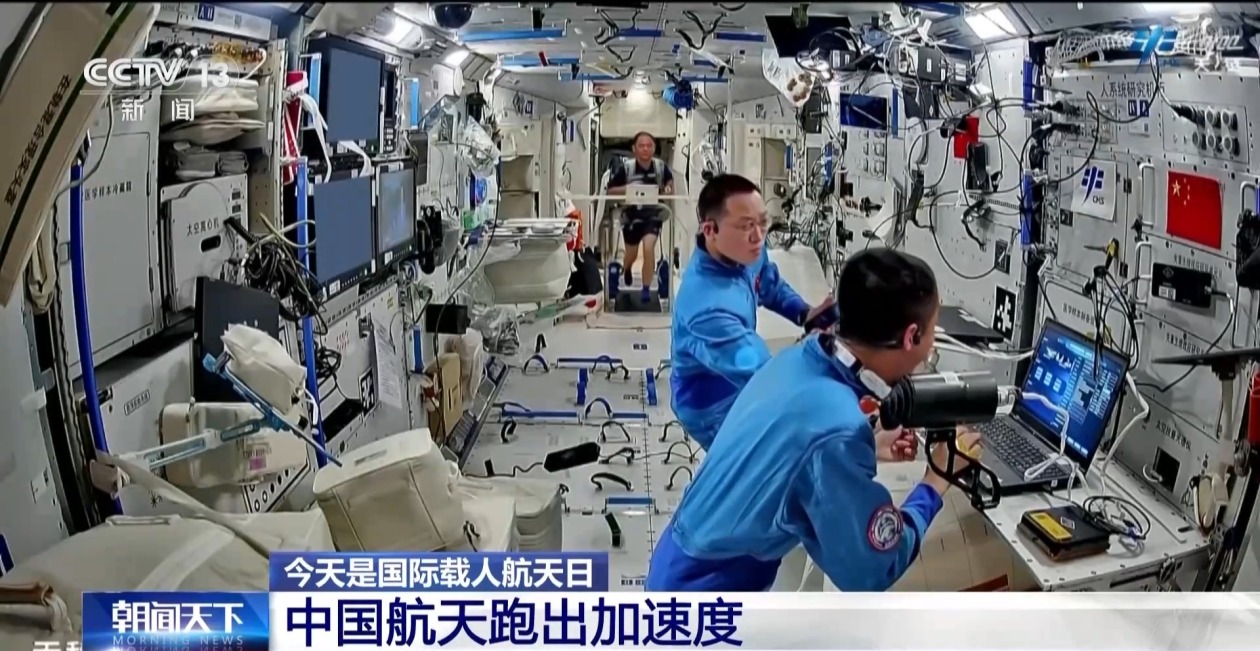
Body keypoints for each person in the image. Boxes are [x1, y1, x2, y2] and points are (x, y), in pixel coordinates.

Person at [647, 247, 983, 592]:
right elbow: (870, 570)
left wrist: (868, 442)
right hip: (708, 594)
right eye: (932, 330)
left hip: (678, 563)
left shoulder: (799, 358)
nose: (932, 346)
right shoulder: (837, 434)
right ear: (911, 337)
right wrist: (936, 479)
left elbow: (796, 449)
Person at [670, 173, 836, 451]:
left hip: (743, 381)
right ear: (710, 230)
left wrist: (804, 314)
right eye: (746, 225)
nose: (758, 236)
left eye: (762, 222)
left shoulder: (745, 251)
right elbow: (761, 373)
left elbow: (769, 284)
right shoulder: (707, 306)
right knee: (760, 465)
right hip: (712, 407)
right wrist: (816, 352)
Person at [607, 132, 674, 302]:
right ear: (634, 149)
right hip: (631, 215)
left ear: (654, 148)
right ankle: (627, 268)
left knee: (648, 247)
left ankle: (646, 288)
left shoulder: (660, 167)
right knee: (631, 254)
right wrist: (628, 189)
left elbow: (669, 184)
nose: (645, 149)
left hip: (653, 214)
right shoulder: (626, 168)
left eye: (649, 145)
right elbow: (610, 191)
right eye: (641, 146)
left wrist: (667, 189)